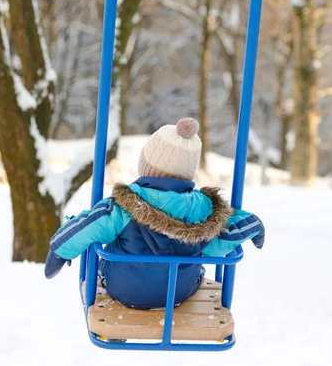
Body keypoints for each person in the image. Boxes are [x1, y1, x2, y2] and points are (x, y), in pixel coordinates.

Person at [45, 118, 264, 309]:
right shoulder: (204, 209)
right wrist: (251, 223)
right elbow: (222, 240)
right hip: (179, 293)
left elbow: (88, 225)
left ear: (146, 165)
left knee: (109, 249)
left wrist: (59, 249)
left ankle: (119, 324)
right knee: (200, 257)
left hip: (123, 290)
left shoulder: (124, 205)